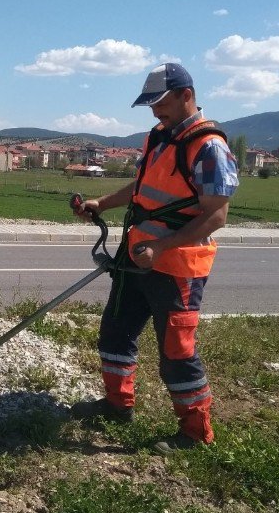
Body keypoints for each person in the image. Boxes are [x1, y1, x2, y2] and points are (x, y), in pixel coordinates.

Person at [71, 62, 239, 455]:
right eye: (150, 104)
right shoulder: (159, 137)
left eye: (160, 102)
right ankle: (117, 406)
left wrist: (163, 247)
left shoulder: (209, 145)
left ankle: (196, 434)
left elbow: (216, 214)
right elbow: (142, 185)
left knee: (176, 353)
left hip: (177, 268)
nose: (154, 111)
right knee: (115, 333)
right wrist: (103, 203)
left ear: (187, 96)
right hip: (137, 259)